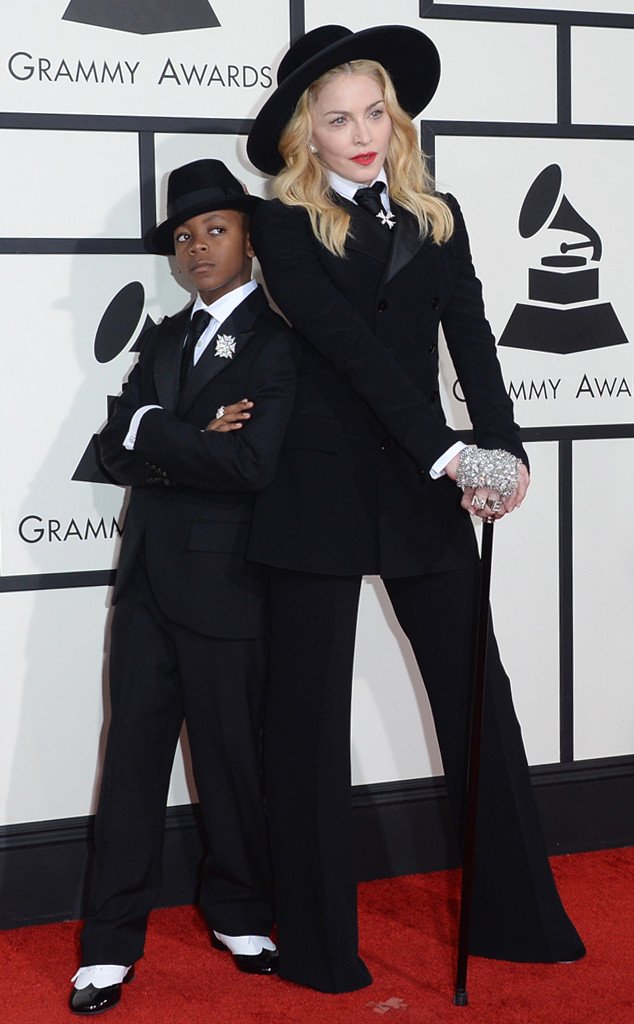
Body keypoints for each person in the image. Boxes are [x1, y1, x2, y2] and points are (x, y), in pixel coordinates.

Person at [245, 25, 585, 994]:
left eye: (375, 112)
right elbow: (350, 350)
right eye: (338, 119)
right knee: (308, 721)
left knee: (479, 697)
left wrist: (504, 447)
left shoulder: (438, 214)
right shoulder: (279, 224)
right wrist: (451, 453)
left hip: (420, 488)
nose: (362, 134)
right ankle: (319, 948)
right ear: (304, 134)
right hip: (317, 487)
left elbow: (470, 333)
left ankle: (518, 920)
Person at [69, 159, 300, 1014]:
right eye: (183, 236)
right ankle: (108, 945)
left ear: (249, 239)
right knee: (129, 762)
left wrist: (154, 429)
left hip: (227, 583)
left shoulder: (279, 340)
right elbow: (111, 449)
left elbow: (251, 464)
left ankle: (241, 912)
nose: (197, 246)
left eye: (216, 229)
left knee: (230, 758)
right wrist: (182, 430)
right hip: (144, 584)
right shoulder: (164, 338)